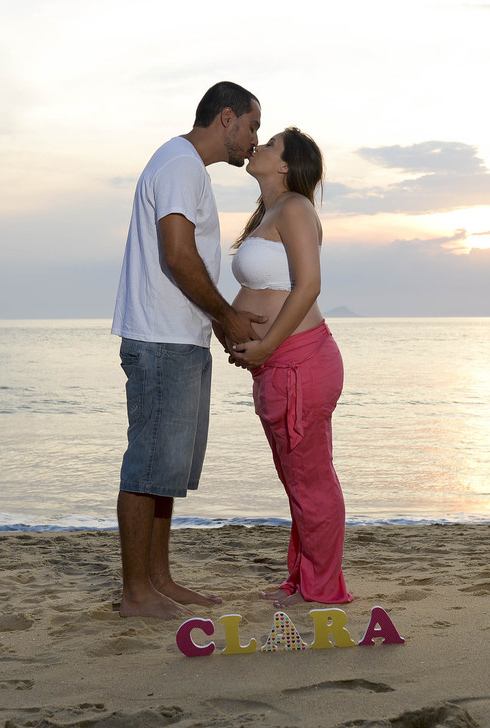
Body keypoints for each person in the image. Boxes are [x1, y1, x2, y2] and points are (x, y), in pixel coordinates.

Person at [111, 82, 265, 619]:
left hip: (179, 337)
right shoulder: (178, 164)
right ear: (227, 118)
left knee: (166, 471)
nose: (253, 140)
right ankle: (135, 593)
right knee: (147, 467)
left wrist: (215, 326)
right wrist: (226, 317)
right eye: (251, 127)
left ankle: (159, 578)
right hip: (160, 339)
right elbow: (176, 255)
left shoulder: (185, 166)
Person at [228, 127, 354, 607]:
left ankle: (322, 588)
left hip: (300, 360)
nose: (258, 145)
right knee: (296, 478)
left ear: (285, 164)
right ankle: (304, 579)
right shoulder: (270, 212)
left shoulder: (296, 208)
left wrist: (264, 347)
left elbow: (308, 287)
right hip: (278, 365)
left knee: (311, 478)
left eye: (272, 143)